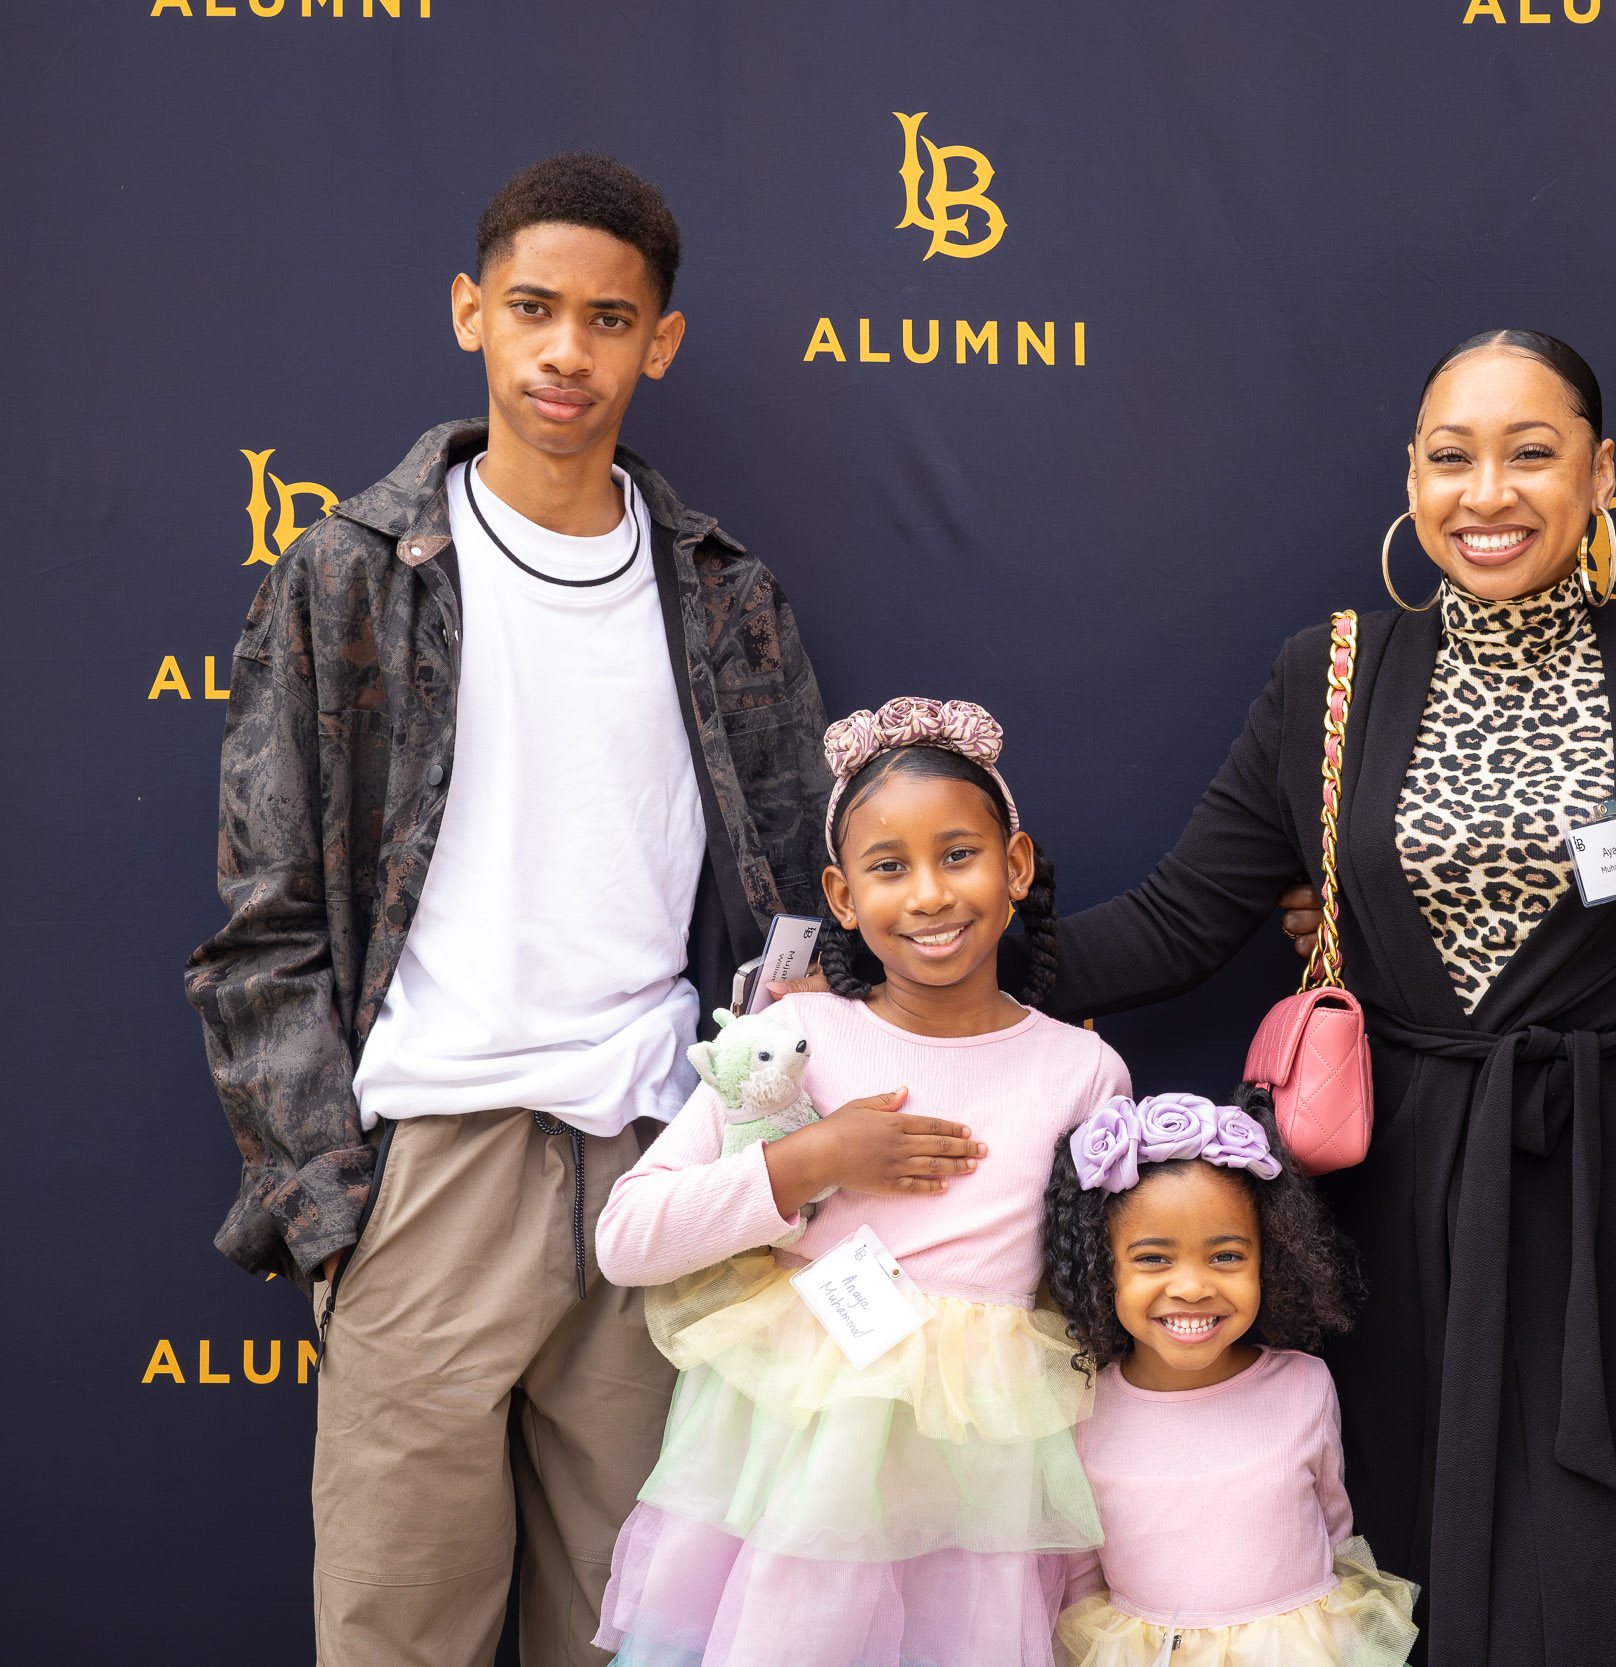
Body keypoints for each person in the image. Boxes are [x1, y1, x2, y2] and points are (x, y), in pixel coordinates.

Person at [181, 154, 835, 1664]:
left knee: (635, 1635)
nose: (566, 351)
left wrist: (758, 1142)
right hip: (431, 1170)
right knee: (397, 1632)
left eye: (610, 319)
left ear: (658, 343)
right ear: (472, 311)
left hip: (658, 1173)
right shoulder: (352, 572)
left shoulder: (726, 592)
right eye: (533, 308)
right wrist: (333, 1212)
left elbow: (804, 899)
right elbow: (264, 917)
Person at [1043, 332, 1616, 1666]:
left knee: (1604, 1580)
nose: (1488, 491)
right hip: (1396, 1202)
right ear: (1411, 477)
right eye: (1452, 456)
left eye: (1532, 452)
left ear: (1601, 472)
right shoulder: (1338, 671)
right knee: (1403, 1569)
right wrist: (941, 972)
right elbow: (1183, 917)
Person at [593, 700, 1131, 1667]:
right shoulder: (801, 1042)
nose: (928, 894)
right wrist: (816, 1159)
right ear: (842, 896)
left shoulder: (1082, 1072)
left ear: (1014, 867)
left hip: (979, 1500)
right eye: (890, 867)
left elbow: (1091, 1300)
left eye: (958, 855)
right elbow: (627, 1235)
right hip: (800, 1487)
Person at [1042, 1088, 1418, 1666]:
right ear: (1102, 1266)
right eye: (1152, 1258)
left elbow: (1335, 1526)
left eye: (1225, 1257)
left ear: (1270, 1258)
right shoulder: (1085, 1409)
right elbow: (1081, 1575)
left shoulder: (1304, 1386)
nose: (1192, 1287)